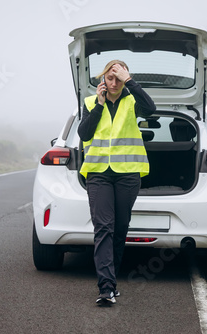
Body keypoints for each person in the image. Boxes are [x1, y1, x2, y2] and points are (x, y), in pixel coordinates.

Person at [78, 60, 156, 305]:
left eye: (119, 79)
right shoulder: (91, 102)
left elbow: (151, 109)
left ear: (124, 80)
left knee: (120, 228)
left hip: (127, 173)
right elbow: (84, 134)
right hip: (98, 173)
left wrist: (131, 81)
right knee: (104, 227)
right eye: (110, 78)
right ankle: (106, 287)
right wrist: (99, 105)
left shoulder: (133, 100)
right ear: (103, 79)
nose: (114, 83)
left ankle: (112, 280)